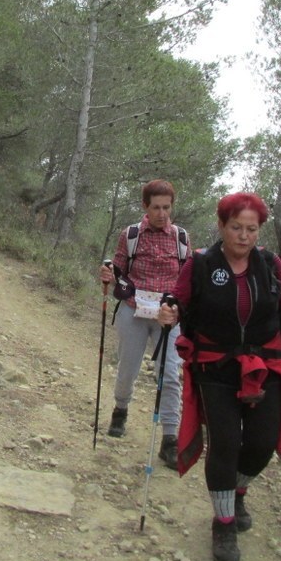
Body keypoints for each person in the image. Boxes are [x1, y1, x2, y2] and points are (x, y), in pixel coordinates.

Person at [158, 191, 281, 561]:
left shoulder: (270, 265)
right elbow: (178, 300)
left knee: (261, 443)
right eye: (236, 228)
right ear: (222, 226)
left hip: (266, 365)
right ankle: (223, 522)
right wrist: (169, 311)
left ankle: (238, 488)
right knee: (225, 443)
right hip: (216, 367)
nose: (244, 236)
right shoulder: (201, 264)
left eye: (251, 229)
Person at [96, 179, 190, 467]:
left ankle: (170, 438)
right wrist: (109, 272)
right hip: (134, 307)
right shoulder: (132, 234)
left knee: (171, 373)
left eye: (167, 207)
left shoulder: (181, 238)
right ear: (145, 207)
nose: (162, 213)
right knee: (128, 367)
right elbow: (120, 265)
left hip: (168, 316)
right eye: (156, 207)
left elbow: (187, 278)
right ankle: (121, 409)